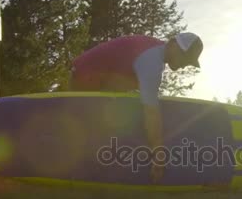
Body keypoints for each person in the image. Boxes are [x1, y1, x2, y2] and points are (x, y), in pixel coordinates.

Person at [68, 32, 203, 183]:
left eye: (190, 61)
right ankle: (77, 170)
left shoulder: (153, 49)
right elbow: (151, 111)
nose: (185, 64)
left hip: (91, 80)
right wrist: (158, 153)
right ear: (173, 44)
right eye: (186, 57)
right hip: (85, 80)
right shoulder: (152, 61)